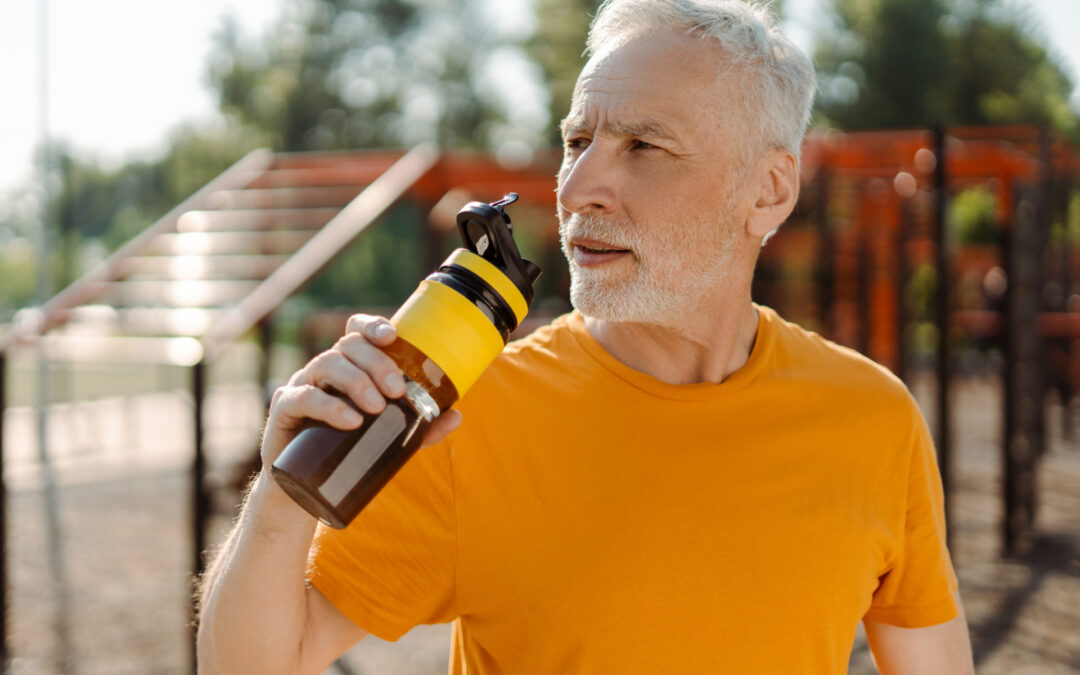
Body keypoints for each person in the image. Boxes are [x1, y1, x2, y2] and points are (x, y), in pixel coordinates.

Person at [196, 0, 976, 672]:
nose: (575, 188)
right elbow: (260, 661)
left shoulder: (874, 418)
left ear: (768, 190)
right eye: (576, 143)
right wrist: (277, 495)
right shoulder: (470, 413)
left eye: (644, 146)